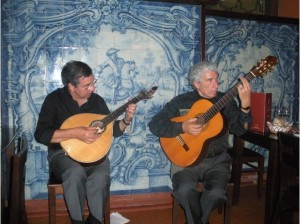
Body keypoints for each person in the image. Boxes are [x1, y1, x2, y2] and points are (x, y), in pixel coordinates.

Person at [148, 61, 252, 224]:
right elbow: (155, 125)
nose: (216, 84)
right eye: (209, 80)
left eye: (216, 79)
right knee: (183, 190)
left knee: (217, 194)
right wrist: (182, 126)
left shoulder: (226, 101)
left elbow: (240, 130)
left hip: (217, 161)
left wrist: (245, 106)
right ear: (196, 83)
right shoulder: (181, 101)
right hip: (186, 162)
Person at [34, 60, 137, 224]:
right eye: (87, 85)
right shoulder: (54, 100)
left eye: (93, 83)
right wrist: (75, 133)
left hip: (94, 155)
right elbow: (41, 134)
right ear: (71, 86)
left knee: (101, 176)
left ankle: (95, 220)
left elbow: (113, 131)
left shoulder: (97, 101)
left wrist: (126, 119)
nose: (92, 88)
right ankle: (77, 221)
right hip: (62, 154)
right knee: (75, 173)